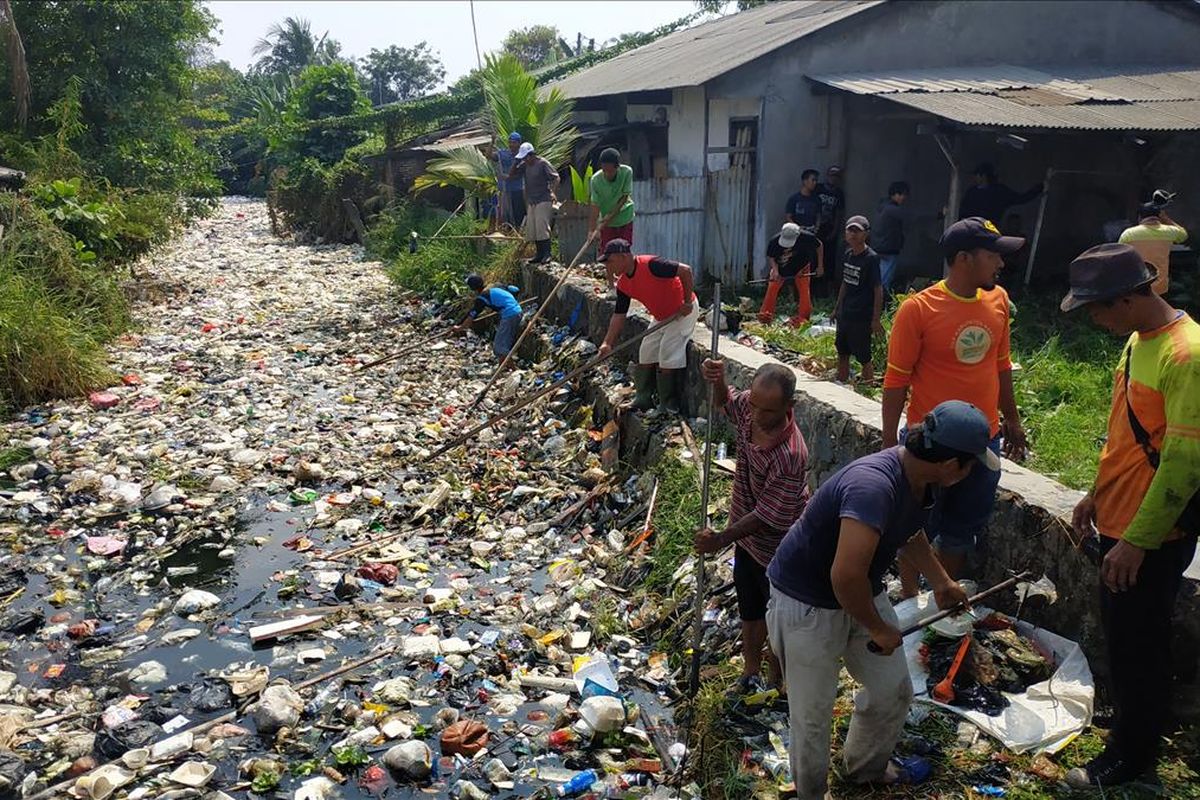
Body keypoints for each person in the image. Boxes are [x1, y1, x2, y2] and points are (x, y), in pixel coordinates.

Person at [766, 400, 987, 800]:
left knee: (894, 690)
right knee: (812, 715)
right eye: (972, 465)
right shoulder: (874, 486)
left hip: (858, 592)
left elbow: (909, 531)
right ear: (953, 465)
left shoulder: (920, 481)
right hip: (807, 601)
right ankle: (811, 793)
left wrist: (940, 581)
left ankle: (864, 768)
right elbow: (844, 574)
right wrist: (876, 627)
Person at [1060, 243, 1200, 790]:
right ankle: (1132, 723)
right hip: (1120, 519)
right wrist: (1096, 493)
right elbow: (1129, 432)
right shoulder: (1138, 341)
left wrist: (1139, 541)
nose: (1093, 319)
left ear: (1125, 299)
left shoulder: (1184, 355)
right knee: (1123, 636)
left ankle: (1132, 756)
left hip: (1153, 533)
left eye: (1095, 309)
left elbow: (1185, 463)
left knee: (1139, 644)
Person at [882, 217, 1028, 595]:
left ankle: (937, 607)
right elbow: (896, 381)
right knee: (915, 529)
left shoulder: (998, 301)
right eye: (993, 255)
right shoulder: (918, 310)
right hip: (930, 445)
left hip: (983, 441)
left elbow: (1001, 365)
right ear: (963, 258)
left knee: (962, 530)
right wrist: (888, 447)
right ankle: (910, 599)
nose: (1000, 264)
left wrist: (1011, 419)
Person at [695, 358, 810, 694]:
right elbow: (727, 406)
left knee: (777, 619)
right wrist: (717, 381)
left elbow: (766, 515)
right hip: (746, 540)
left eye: (768, 412)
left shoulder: (791, 455)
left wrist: (720, 539)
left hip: (778, 548)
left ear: (789, 407)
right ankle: (749, 672)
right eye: (755, 407)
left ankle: (777, 683)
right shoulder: (751, 405)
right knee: (750, 609)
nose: (757, 416)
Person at [596, 239, 696, 415]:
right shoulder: (623, 284)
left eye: (610, 261)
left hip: (682, 313)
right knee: (646, 351)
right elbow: (619, 315)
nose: (608, 267)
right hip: (661, 317)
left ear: (623, 256)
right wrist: (607, 343)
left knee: (667, 352)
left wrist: (687, 302)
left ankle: (668, 403)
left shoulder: (652, 264)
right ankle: (643, 398)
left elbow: (685, 270)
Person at [832, 215, 883, 383]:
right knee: (842, 351)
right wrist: (837, 307)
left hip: (861, 314)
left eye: (857, 231)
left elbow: (877, 289)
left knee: (863, 355)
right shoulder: (848, 254)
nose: (853, 235)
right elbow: (846, 282)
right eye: (850, 230)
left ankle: (868, 385)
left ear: (866, 234)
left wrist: (876, 319)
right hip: (846, 312)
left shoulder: (871, 258)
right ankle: (842, 381)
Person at [758, 223, 823, 326]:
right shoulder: (774, 241)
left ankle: (803, 320)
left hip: (802, 267)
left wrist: (820, 266)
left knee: (804, 291)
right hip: (780, 268)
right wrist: (775, 270)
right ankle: (765, 317)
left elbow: (819, 246)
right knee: (772, 288)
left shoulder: (807, 237)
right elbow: (771, 257)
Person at [1119, 201, 1188, 295]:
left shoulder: (1129, 234)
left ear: (1139, 217)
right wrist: (1166, 219)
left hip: (1138, 286)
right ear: (1159, 217)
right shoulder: (1170, 231)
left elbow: (1120, 256)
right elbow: (1183, 235)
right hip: (1161, 287)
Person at [509, 142, 560, 264]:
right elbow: (511, 175)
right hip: (532, 200)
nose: (525, 160)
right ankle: (539, 254)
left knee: (542, 227)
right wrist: (516, 161)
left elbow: (556, 177)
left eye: (526, 157)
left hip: (543, 198)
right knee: (534, 229)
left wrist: (553, 192)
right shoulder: (525, 165)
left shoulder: (542, 163)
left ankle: (547, 254)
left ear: (532, 155)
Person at [453, 274, 525, 360]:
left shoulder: (482, 298)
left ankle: (513, 370)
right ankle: (503, 369)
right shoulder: (496, 286)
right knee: (503, 344)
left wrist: (459, 328)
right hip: (518, 311)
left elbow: (471, 316)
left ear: (472, 288)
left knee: (499, 347)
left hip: (509, 315)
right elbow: (515, 289)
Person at [959, 162, 1043, 224]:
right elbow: (963, 210)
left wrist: (1040, 187)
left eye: (976, 175)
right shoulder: (972, 192)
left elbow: (1021, 198)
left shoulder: (999, 192)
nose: (974, 178)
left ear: (983, 176)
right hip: (974, 230)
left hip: (988, 231)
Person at [588, 147, 635, 252]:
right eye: (604, 170)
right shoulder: (596, 180)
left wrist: (610, 216)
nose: (607, 174)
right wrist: (591, 230)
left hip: (625, 217)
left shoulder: (626, 172)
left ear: (617, 167)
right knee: (607, 252)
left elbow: (624, 198)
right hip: (607, 222)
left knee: (624, 250)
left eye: (610, 171)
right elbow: (595, 205)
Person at [873, 181, 909, 291]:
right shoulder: (892, 209)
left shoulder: (883, 206)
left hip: (879, 246)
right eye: (903, 195)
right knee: (884, 282)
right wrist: (938, 215)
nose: (904, 198)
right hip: (889, 249)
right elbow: (913, 216)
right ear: (896, 194)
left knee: (878, 279)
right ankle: (880, 304)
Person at [816, 165, 846, 290]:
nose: (833, 178)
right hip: (817, 227)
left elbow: (839, 213)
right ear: (827, 175)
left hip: (830, 228)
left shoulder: (839, 193)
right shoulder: (819, 189)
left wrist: (835, 230)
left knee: (829, 258)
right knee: (814, 256)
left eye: (837, 176)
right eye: (832, 175)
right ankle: (813, 286)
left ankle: (827, 287)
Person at [495, 132, 526, 229]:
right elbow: (488, 155)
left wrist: (507, 177)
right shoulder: (502, 154)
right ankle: (506, 231)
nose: (511, 145)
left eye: (514, 142)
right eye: (510, 142)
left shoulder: (523, 156)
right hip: (504, 190)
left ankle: (518, 232)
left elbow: (520, 173)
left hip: (517, 189)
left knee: (518, 213)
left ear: (519, 143)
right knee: (505, 214)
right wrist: (492, 141)